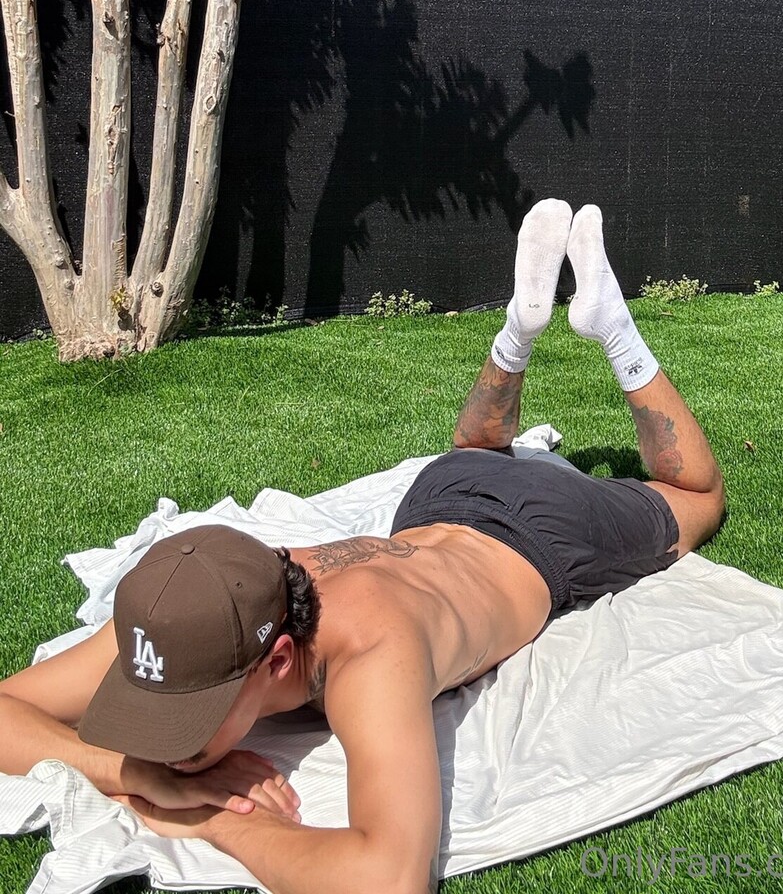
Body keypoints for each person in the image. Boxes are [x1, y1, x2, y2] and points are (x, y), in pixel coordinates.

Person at [0, 202, 726, 894]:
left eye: (186, 726)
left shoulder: (371, 657)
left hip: (541, 532)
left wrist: (215, 820)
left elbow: (388, 878)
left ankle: (610, 325)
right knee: (475, 452)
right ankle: (517, 328)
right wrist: (136, 776)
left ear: (277, 661)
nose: (162, 743)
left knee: (697, 494)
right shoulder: (188, 609)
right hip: (440, 492)